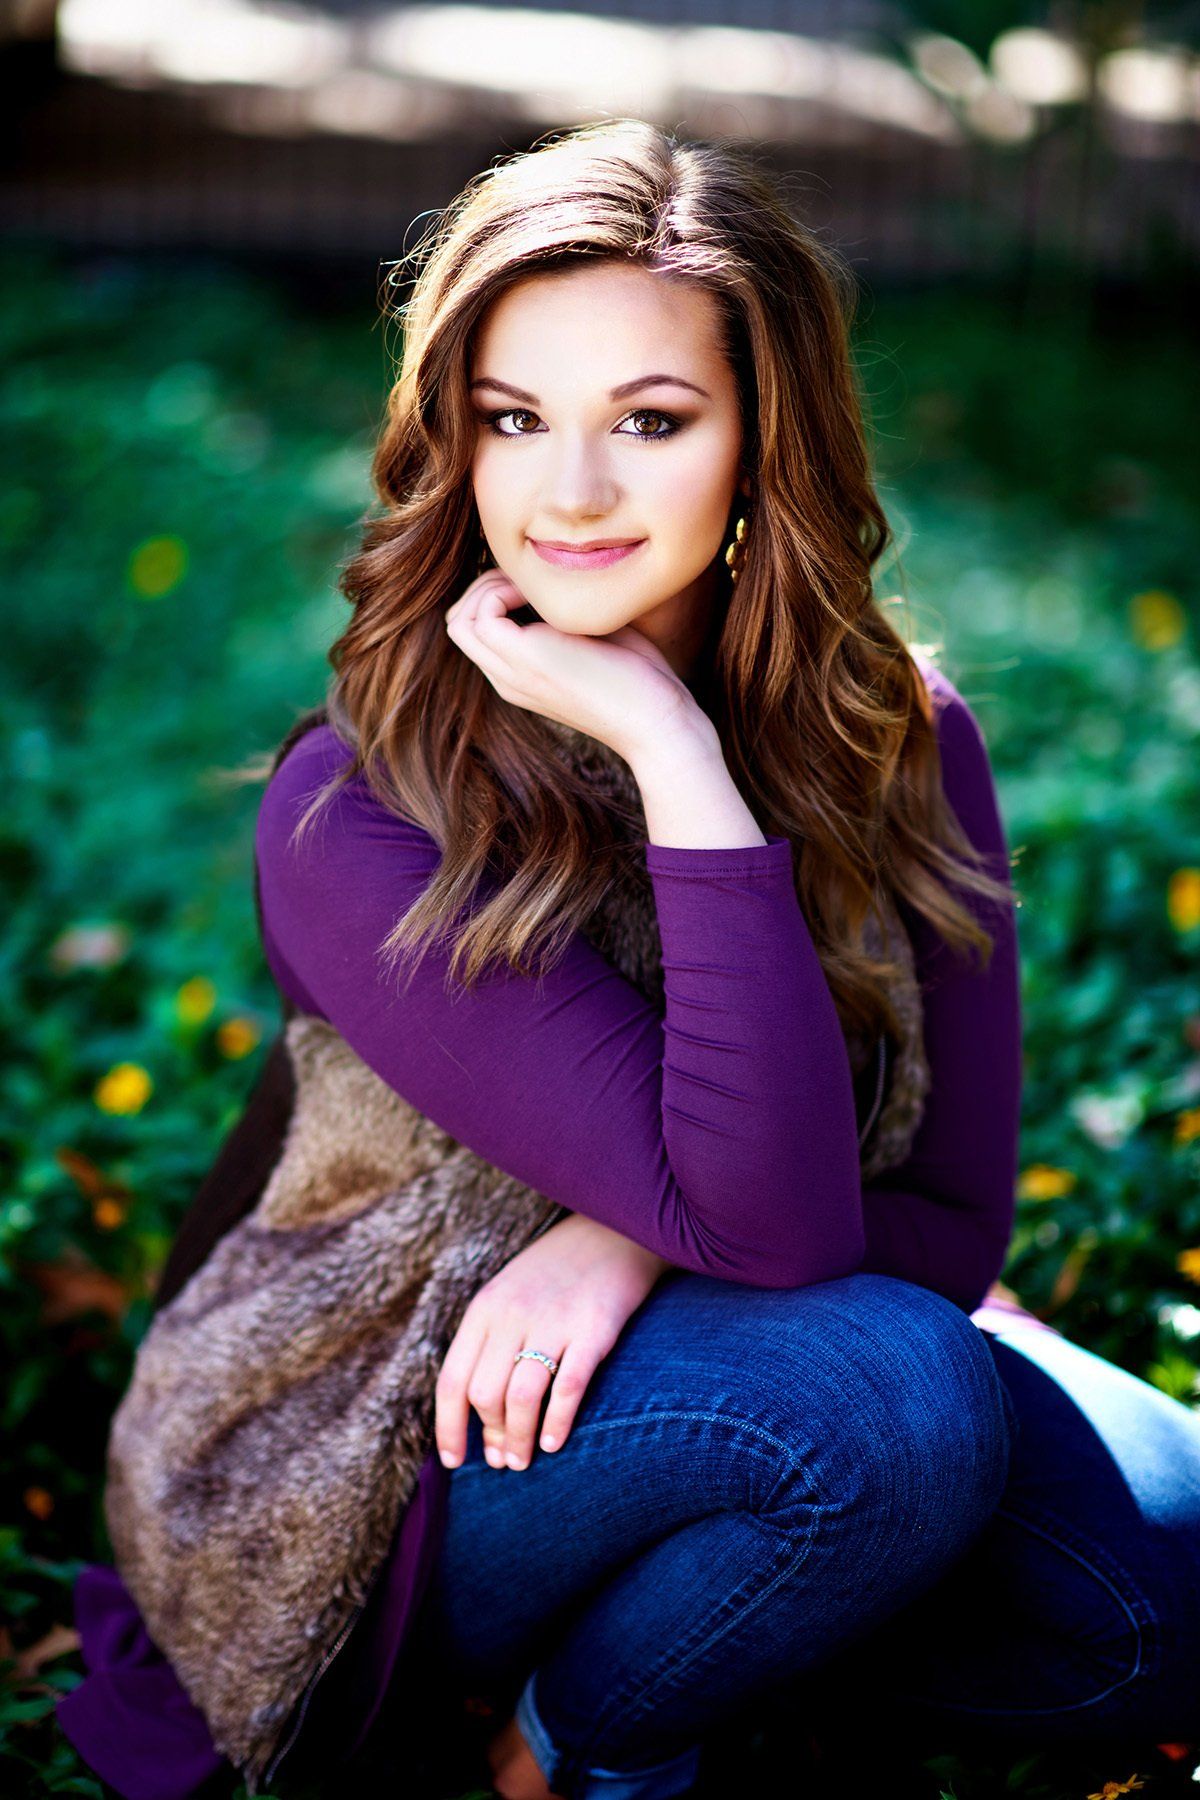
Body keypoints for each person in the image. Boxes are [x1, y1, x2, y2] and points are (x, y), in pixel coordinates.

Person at [57, 119, 1200, 1800]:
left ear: (764, 441)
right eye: (514, 420)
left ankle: (728, 1604)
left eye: (650, 423)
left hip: (734, 1362)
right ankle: (576, 1746)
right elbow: (791, 1229)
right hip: (388, 1430)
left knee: (1166, 1588)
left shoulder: (903, 740)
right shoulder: (355, 808)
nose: (568, 494)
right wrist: (673, 755)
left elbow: (952, 1226)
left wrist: (622, 1245)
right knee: (892, 1404)